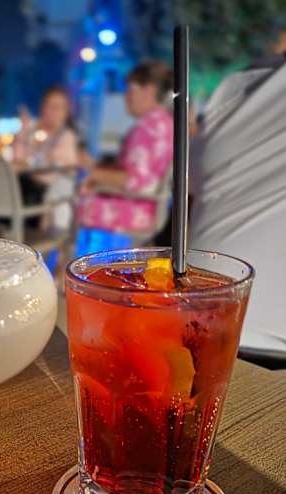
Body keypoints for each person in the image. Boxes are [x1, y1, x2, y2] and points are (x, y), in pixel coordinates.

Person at [189, 59, 286, 357]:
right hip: (204, 318)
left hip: (198, 315)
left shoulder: (238, 86)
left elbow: (191, 182)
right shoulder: (239, 86)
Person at [78, 61, 173, 237]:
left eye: (130, 90)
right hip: (149, 208)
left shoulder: (148, 128)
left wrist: (91, 172)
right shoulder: (163, 122)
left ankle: (46, 251)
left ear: (149, 91)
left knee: (68, 199)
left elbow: (133, 180)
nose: (126, 97)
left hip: (135, 211)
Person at [13, 87, 78, 229]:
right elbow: (17, 158)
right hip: (22, 189)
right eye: (49, 105)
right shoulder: (32, 131)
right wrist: (24, 131)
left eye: (58, 107)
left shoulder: (66, 137)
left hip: (41, 196)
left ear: (66, 112)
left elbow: (59, 170)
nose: (53, 111)